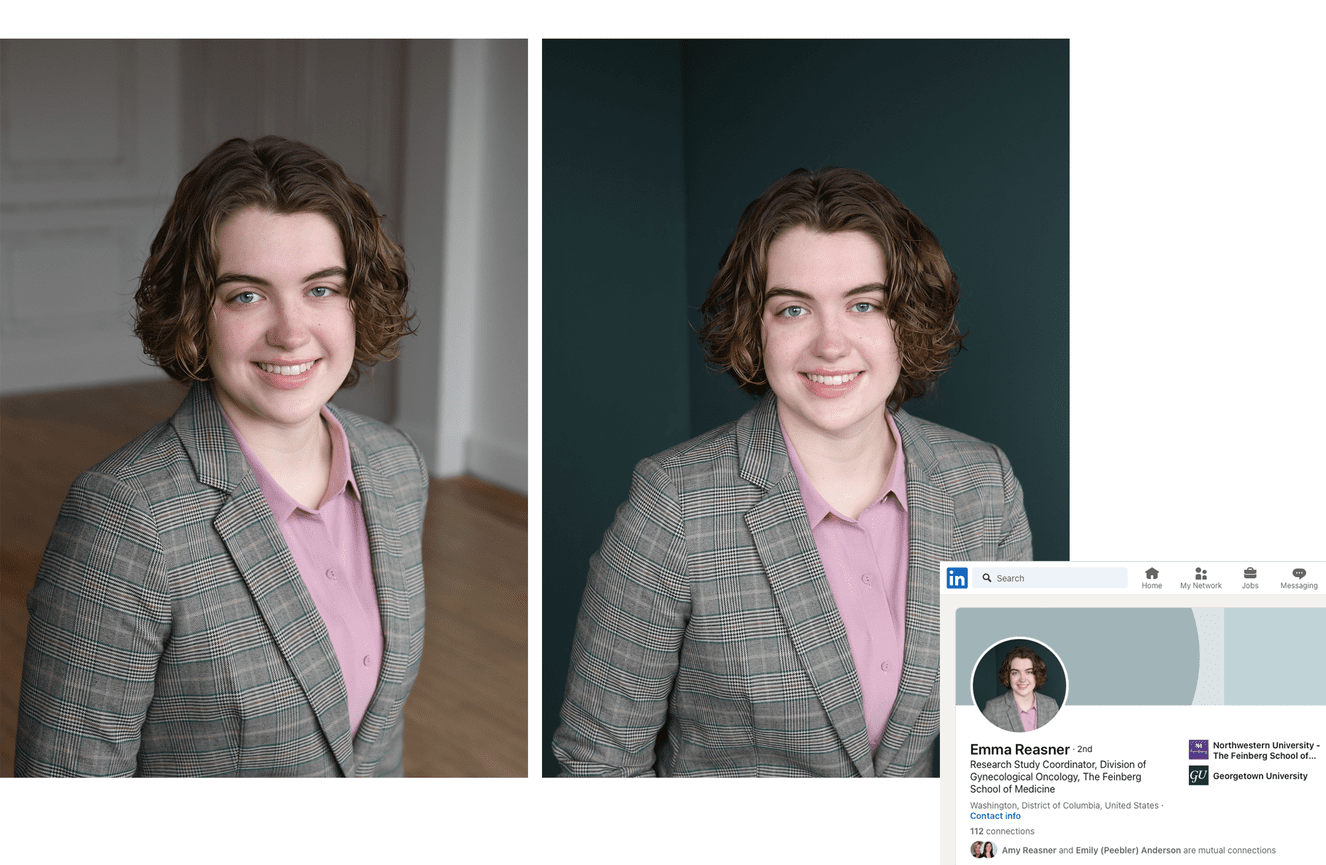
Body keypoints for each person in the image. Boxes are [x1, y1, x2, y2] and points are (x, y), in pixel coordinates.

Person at [553, 167, 1032, 776]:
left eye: (864, 304)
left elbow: (1008, 747)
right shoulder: (674, 503)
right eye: (792, 310)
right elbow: (600, 765)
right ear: (756, 328)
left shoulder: (984, 485)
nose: (831, 345)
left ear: (904, 322)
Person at [14, 136, 427, 776]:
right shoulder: (124, 519)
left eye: (320, 289)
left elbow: (373, 743)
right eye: (246, 295)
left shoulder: (396, 469)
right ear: (192, 311)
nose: (292, 332)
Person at [982, 646, 1059, 733]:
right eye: (1015, 673)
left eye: (1029, 672)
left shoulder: (1051, 705)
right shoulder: (993, 709)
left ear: (1036, 675)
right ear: (1008, 676)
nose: (1022, 679)